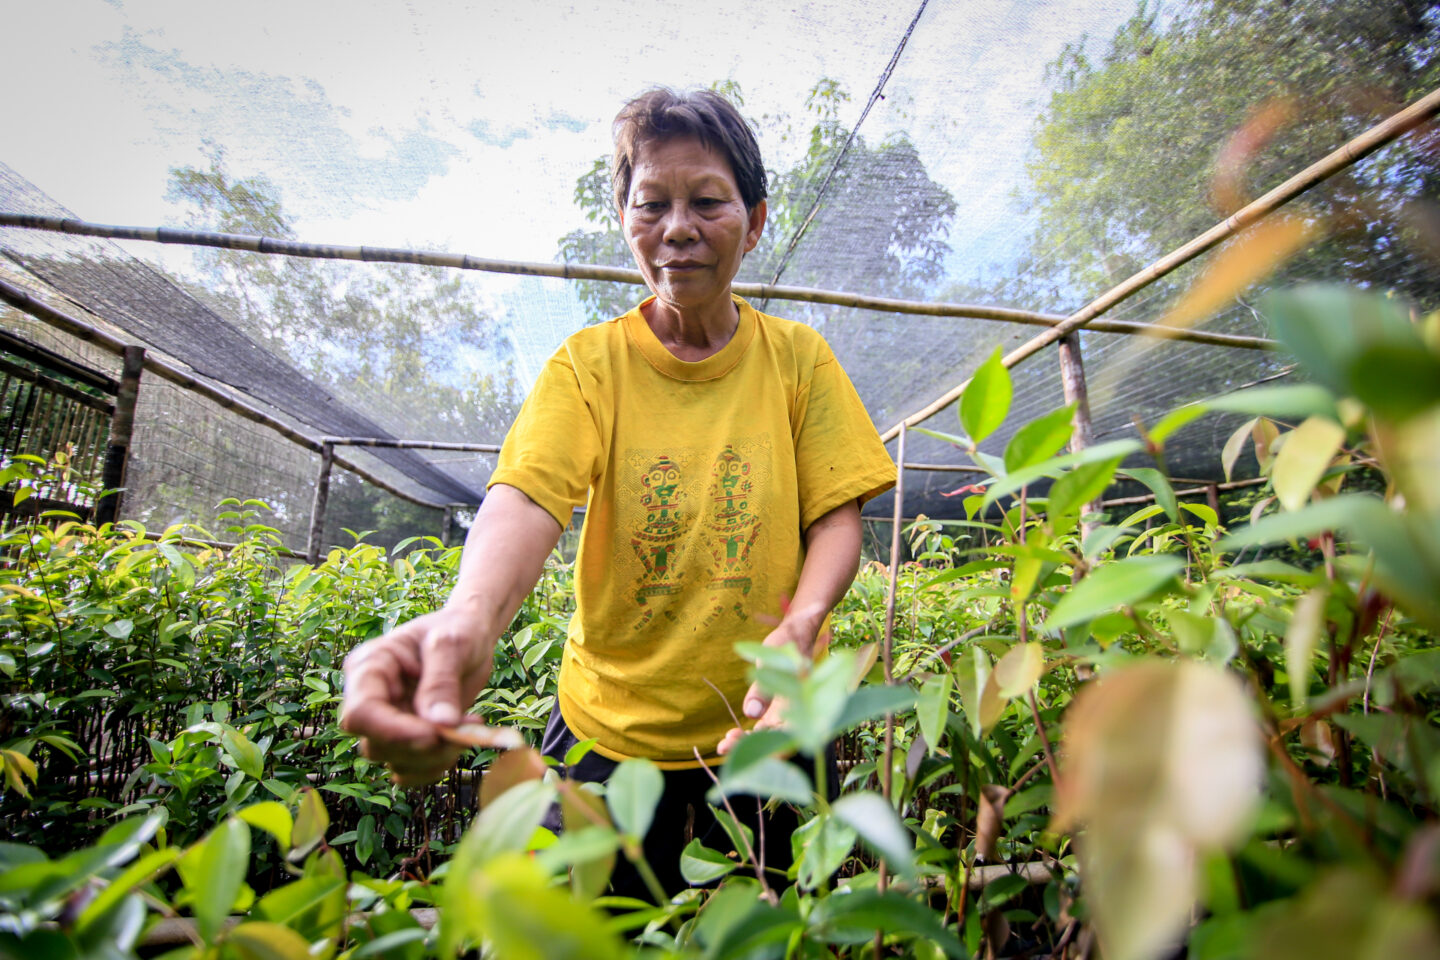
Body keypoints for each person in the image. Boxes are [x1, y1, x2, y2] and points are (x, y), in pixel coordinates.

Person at [340, 87, 895, 897]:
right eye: (651, 204)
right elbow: (527, 498)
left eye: (708, 202)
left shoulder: (798, 360)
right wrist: (469, 619)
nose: (678, 228)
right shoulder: (590, 364)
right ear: (627, 221)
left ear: (757, 218)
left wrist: (802, 626)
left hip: (768, 733)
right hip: (604, 734)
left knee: (768, 933)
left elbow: (835, 515)